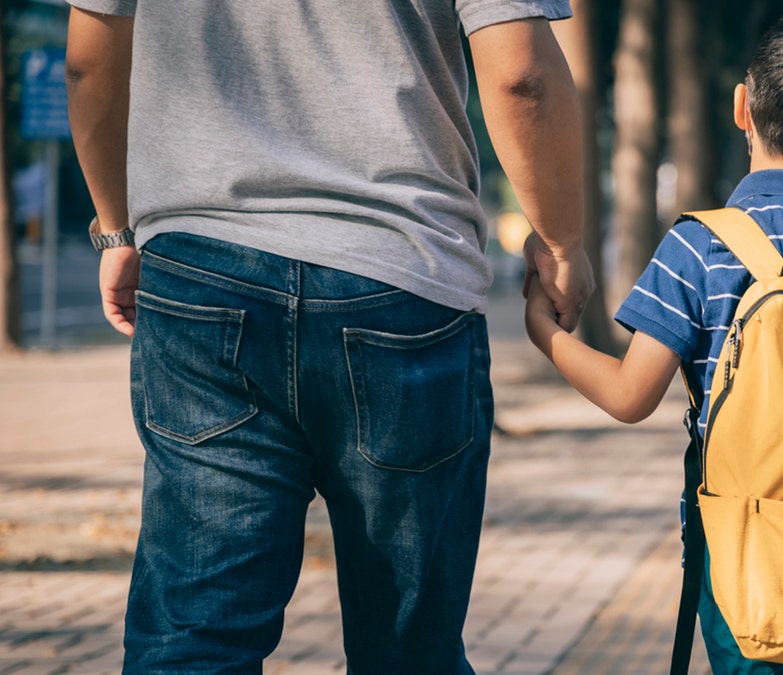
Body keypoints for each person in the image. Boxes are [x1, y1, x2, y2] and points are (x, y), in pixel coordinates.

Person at [64, 0, 592, 671]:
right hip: (403, 279)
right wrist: (563, 241)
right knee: (409, 648)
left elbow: (87, 59)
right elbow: (522, 74)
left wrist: (117, 225)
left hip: (202, 270)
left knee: (194, 638)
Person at [524, 7, 783, 674]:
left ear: (741, 108)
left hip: (744, 563)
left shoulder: (701, 245)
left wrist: (545, 334)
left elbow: (630, 394)